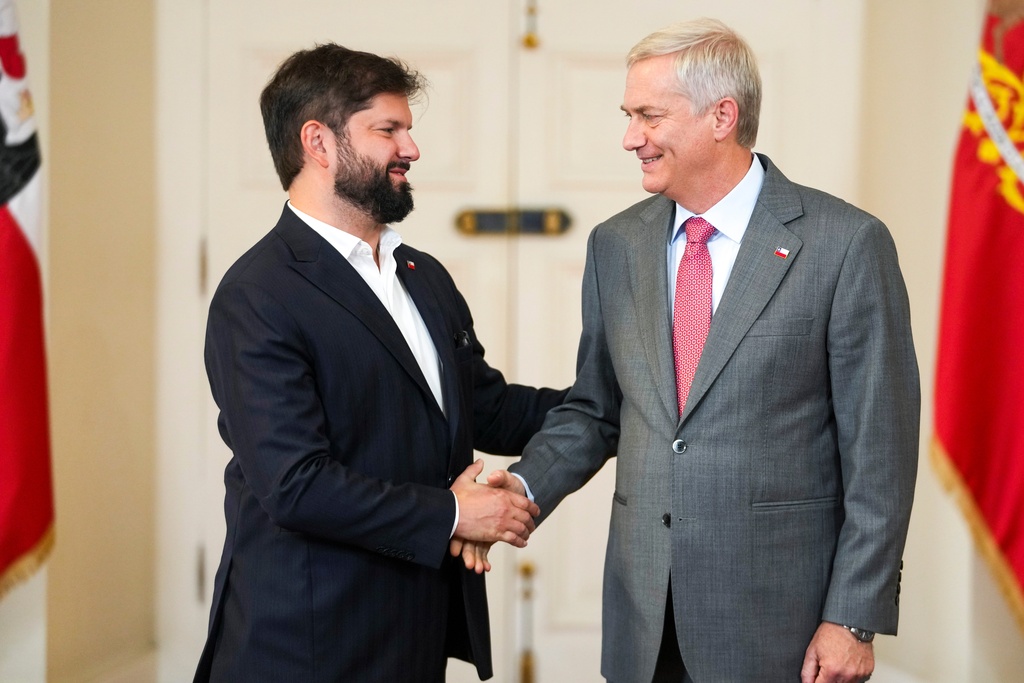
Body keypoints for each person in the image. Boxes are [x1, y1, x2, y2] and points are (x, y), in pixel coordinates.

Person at [480, 17, 920, 683]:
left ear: (722, 115)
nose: (631, 137)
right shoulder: (615, 245)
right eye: (629, 115)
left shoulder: (845, 244)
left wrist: (852, 617)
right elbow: (596, 409)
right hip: (643, 618)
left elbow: (880, 455)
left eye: (649, 116)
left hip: (782, 626)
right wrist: (522, 485)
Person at [193, 43, 566, 682]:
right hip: (302, 644)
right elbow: (295, 483)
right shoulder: (256, 295)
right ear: (319, 141)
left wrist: (621, 400)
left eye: (408, 131)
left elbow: (485, 409)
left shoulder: (423, 277)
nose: (410, 150)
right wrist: (455, 514)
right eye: (388, 130)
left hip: (412, 635)